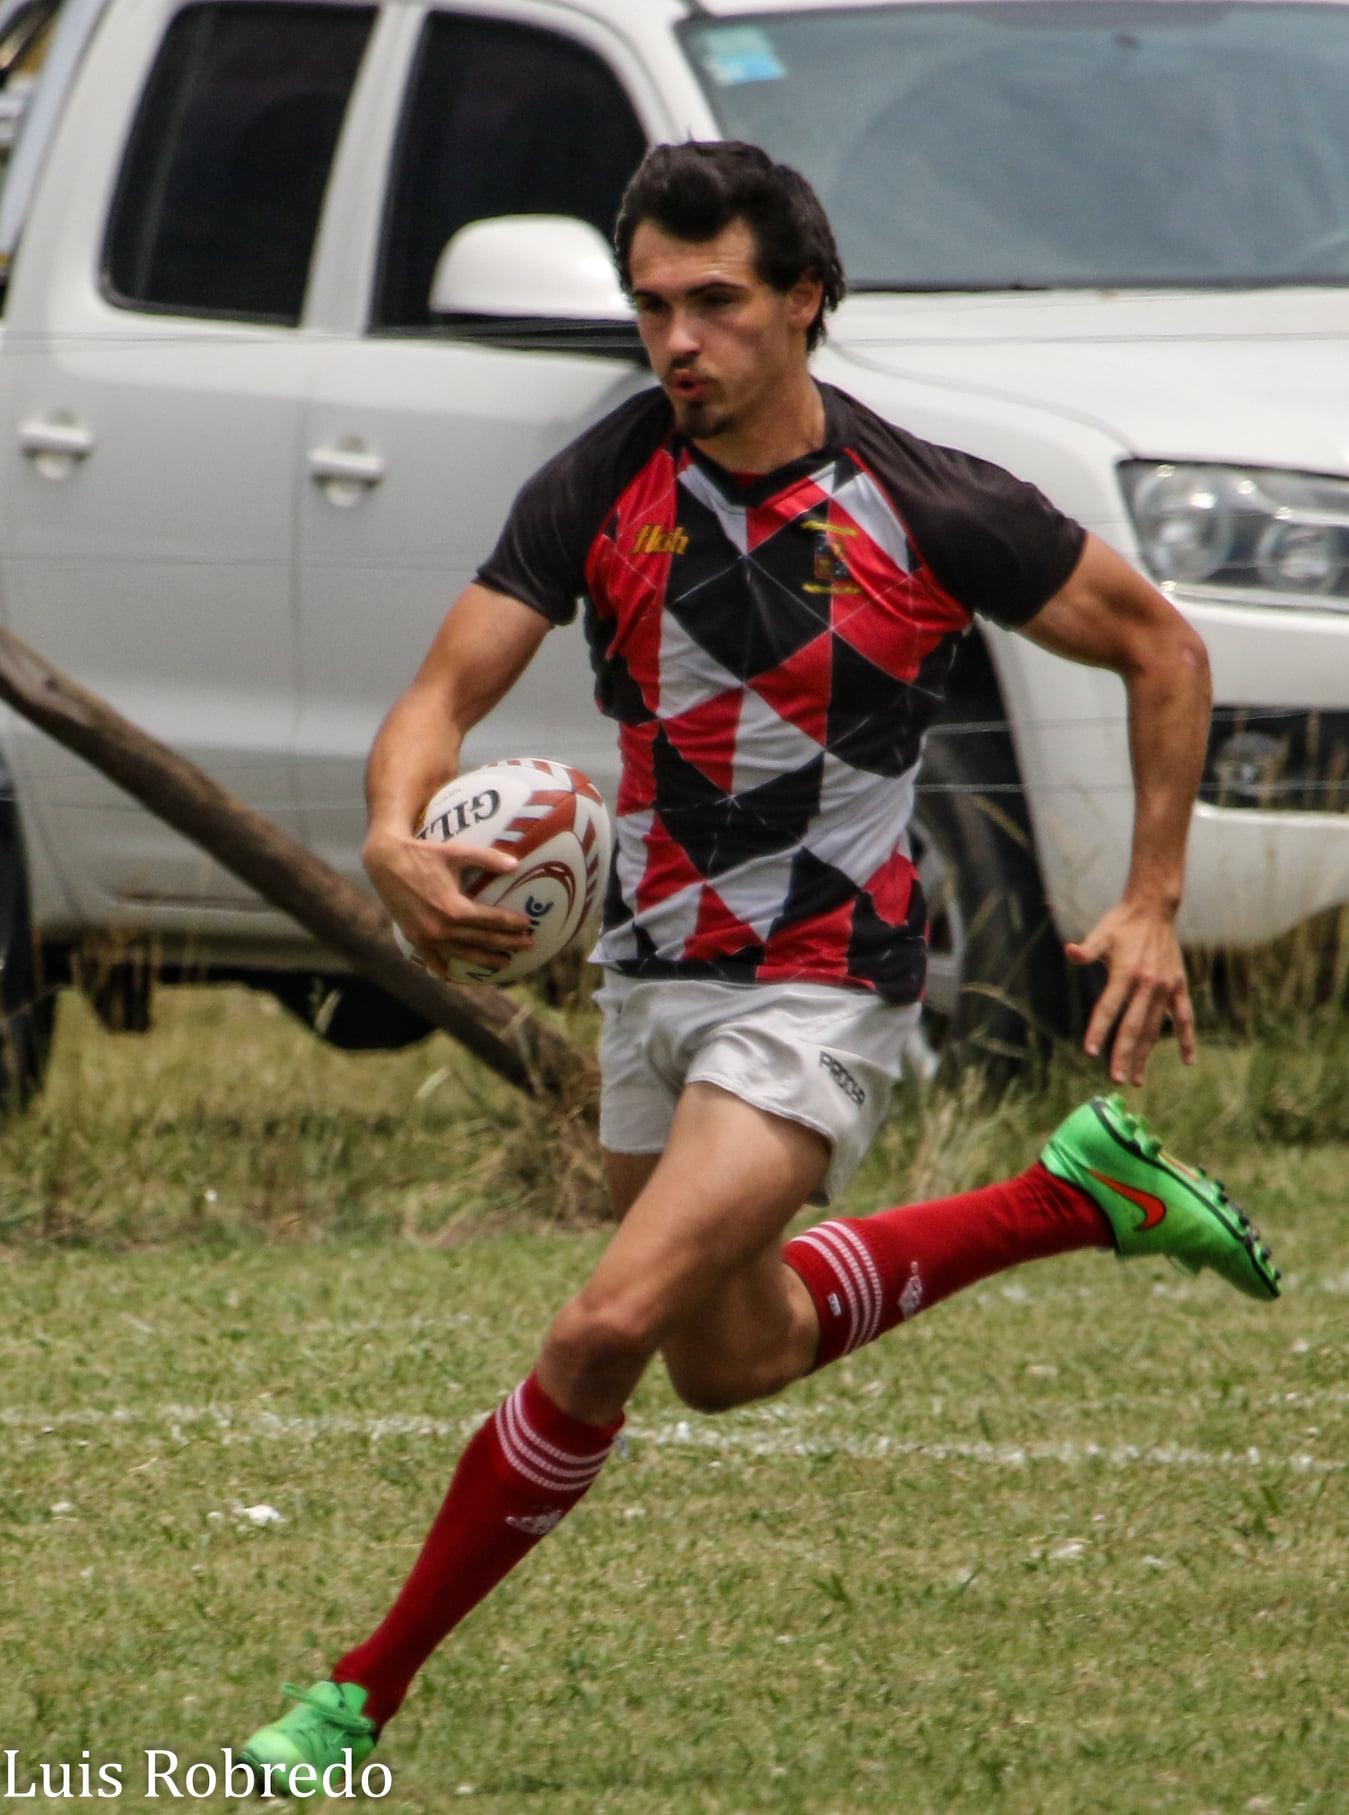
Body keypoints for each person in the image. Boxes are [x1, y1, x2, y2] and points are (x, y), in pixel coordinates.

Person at [238, 141, 1279, 1788]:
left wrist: (1149, 899)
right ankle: (1071, 1199)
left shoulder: (928, 503)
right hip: (651, 978)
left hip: (820, 984)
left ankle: (351, 1701)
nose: (677, 341)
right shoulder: (598, 488)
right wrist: (386, 834)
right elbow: (439, 700)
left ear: (804, 300)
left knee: (597, 1335)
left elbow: (1164, 643)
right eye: (651, 305)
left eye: (714, 302)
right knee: (730, 1361)